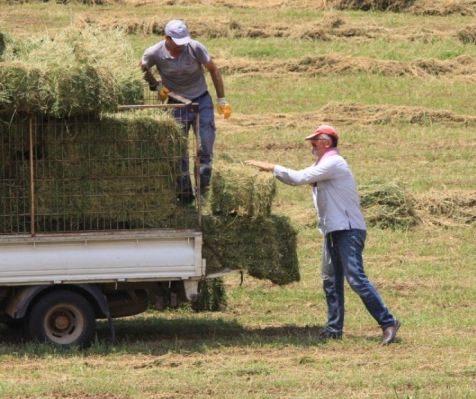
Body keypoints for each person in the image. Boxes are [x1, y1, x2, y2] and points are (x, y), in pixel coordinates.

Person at [245, 124, 400, 345]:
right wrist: (274, 171)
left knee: (356, 278)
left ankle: (388, 322)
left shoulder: (334, 162)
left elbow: (299, 178)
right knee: (331, 281)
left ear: (327, 143)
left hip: (348, 230)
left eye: (315, 141)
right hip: (333, 230)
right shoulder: (323, 165)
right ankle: (334, 329)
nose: (311, 144)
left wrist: (271, 167)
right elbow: (299, 178)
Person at [140, 19, 230, 204]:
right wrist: (156, 86)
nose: (182, 46)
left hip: (201, 101)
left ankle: (203, 192)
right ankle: (185, 194)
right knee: (178, 150)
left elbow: (213, 69)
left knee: (205, 148)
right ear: (167, 38)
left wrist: (221, 99)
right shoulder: (154, 52)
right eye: (177, 42)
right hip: (177, 105)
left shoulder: (195, 48)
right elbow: (142, 67)